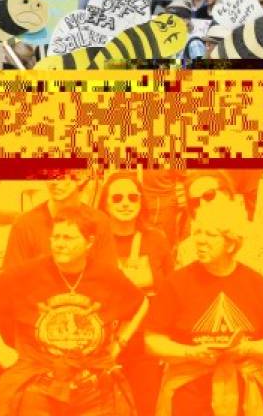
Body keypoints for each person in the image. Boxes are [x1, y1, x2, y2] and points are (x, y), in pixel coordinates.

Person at [0, 205, 148, 416]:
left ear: (89, 242)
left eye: (68, 238)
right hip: (38, 384)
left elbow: (141, 302)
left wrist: (120, 342)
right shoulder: (29, 273)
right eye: (56, 237)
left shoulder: (106, 276)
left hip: (91, 385)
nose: (60, 244)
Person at [144, 200, 263, 415]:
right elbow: (152, 341)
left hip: (244, 393)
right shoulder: (177, 282)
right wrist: (190, 353)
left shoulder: (256, 283)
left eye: (210, 235)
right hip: (189, 391)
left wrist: (246, 349)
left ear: (231, 243)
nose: (200, 241)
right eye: (197, 232)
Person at [101, 173, 173, 416]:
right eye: (117, 197)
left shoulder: (157, 239)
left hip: (146, 344)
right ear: (105, 203)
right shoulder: (94, 242)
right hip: (105, 342)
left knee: (146, 406)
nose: (125, 203)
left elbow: (169, 293)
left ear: (141, 202)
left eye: (133, 197)